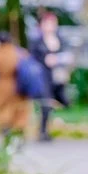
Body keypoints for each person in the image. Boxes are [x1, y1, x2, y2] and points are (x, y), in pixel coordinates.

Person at [30, 8, 72, 140]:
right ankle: (42, 131)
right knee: (45, 103)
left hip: (57, 76)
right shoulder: (37, 40)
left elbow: (67, 55)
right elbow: (33, 59)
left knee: (61, 101)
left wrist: (59, 60)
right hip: (43, 76)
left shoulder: (59, 39)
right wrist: (45, 60)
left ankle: (47, 128)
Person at [0, 31, 33, 140]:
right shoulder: (19, 52)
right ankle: (19, 134)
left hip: (4, 85)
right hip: (21, 85)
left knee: (4, 109)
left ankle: (6, 132)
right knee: (21, 110)